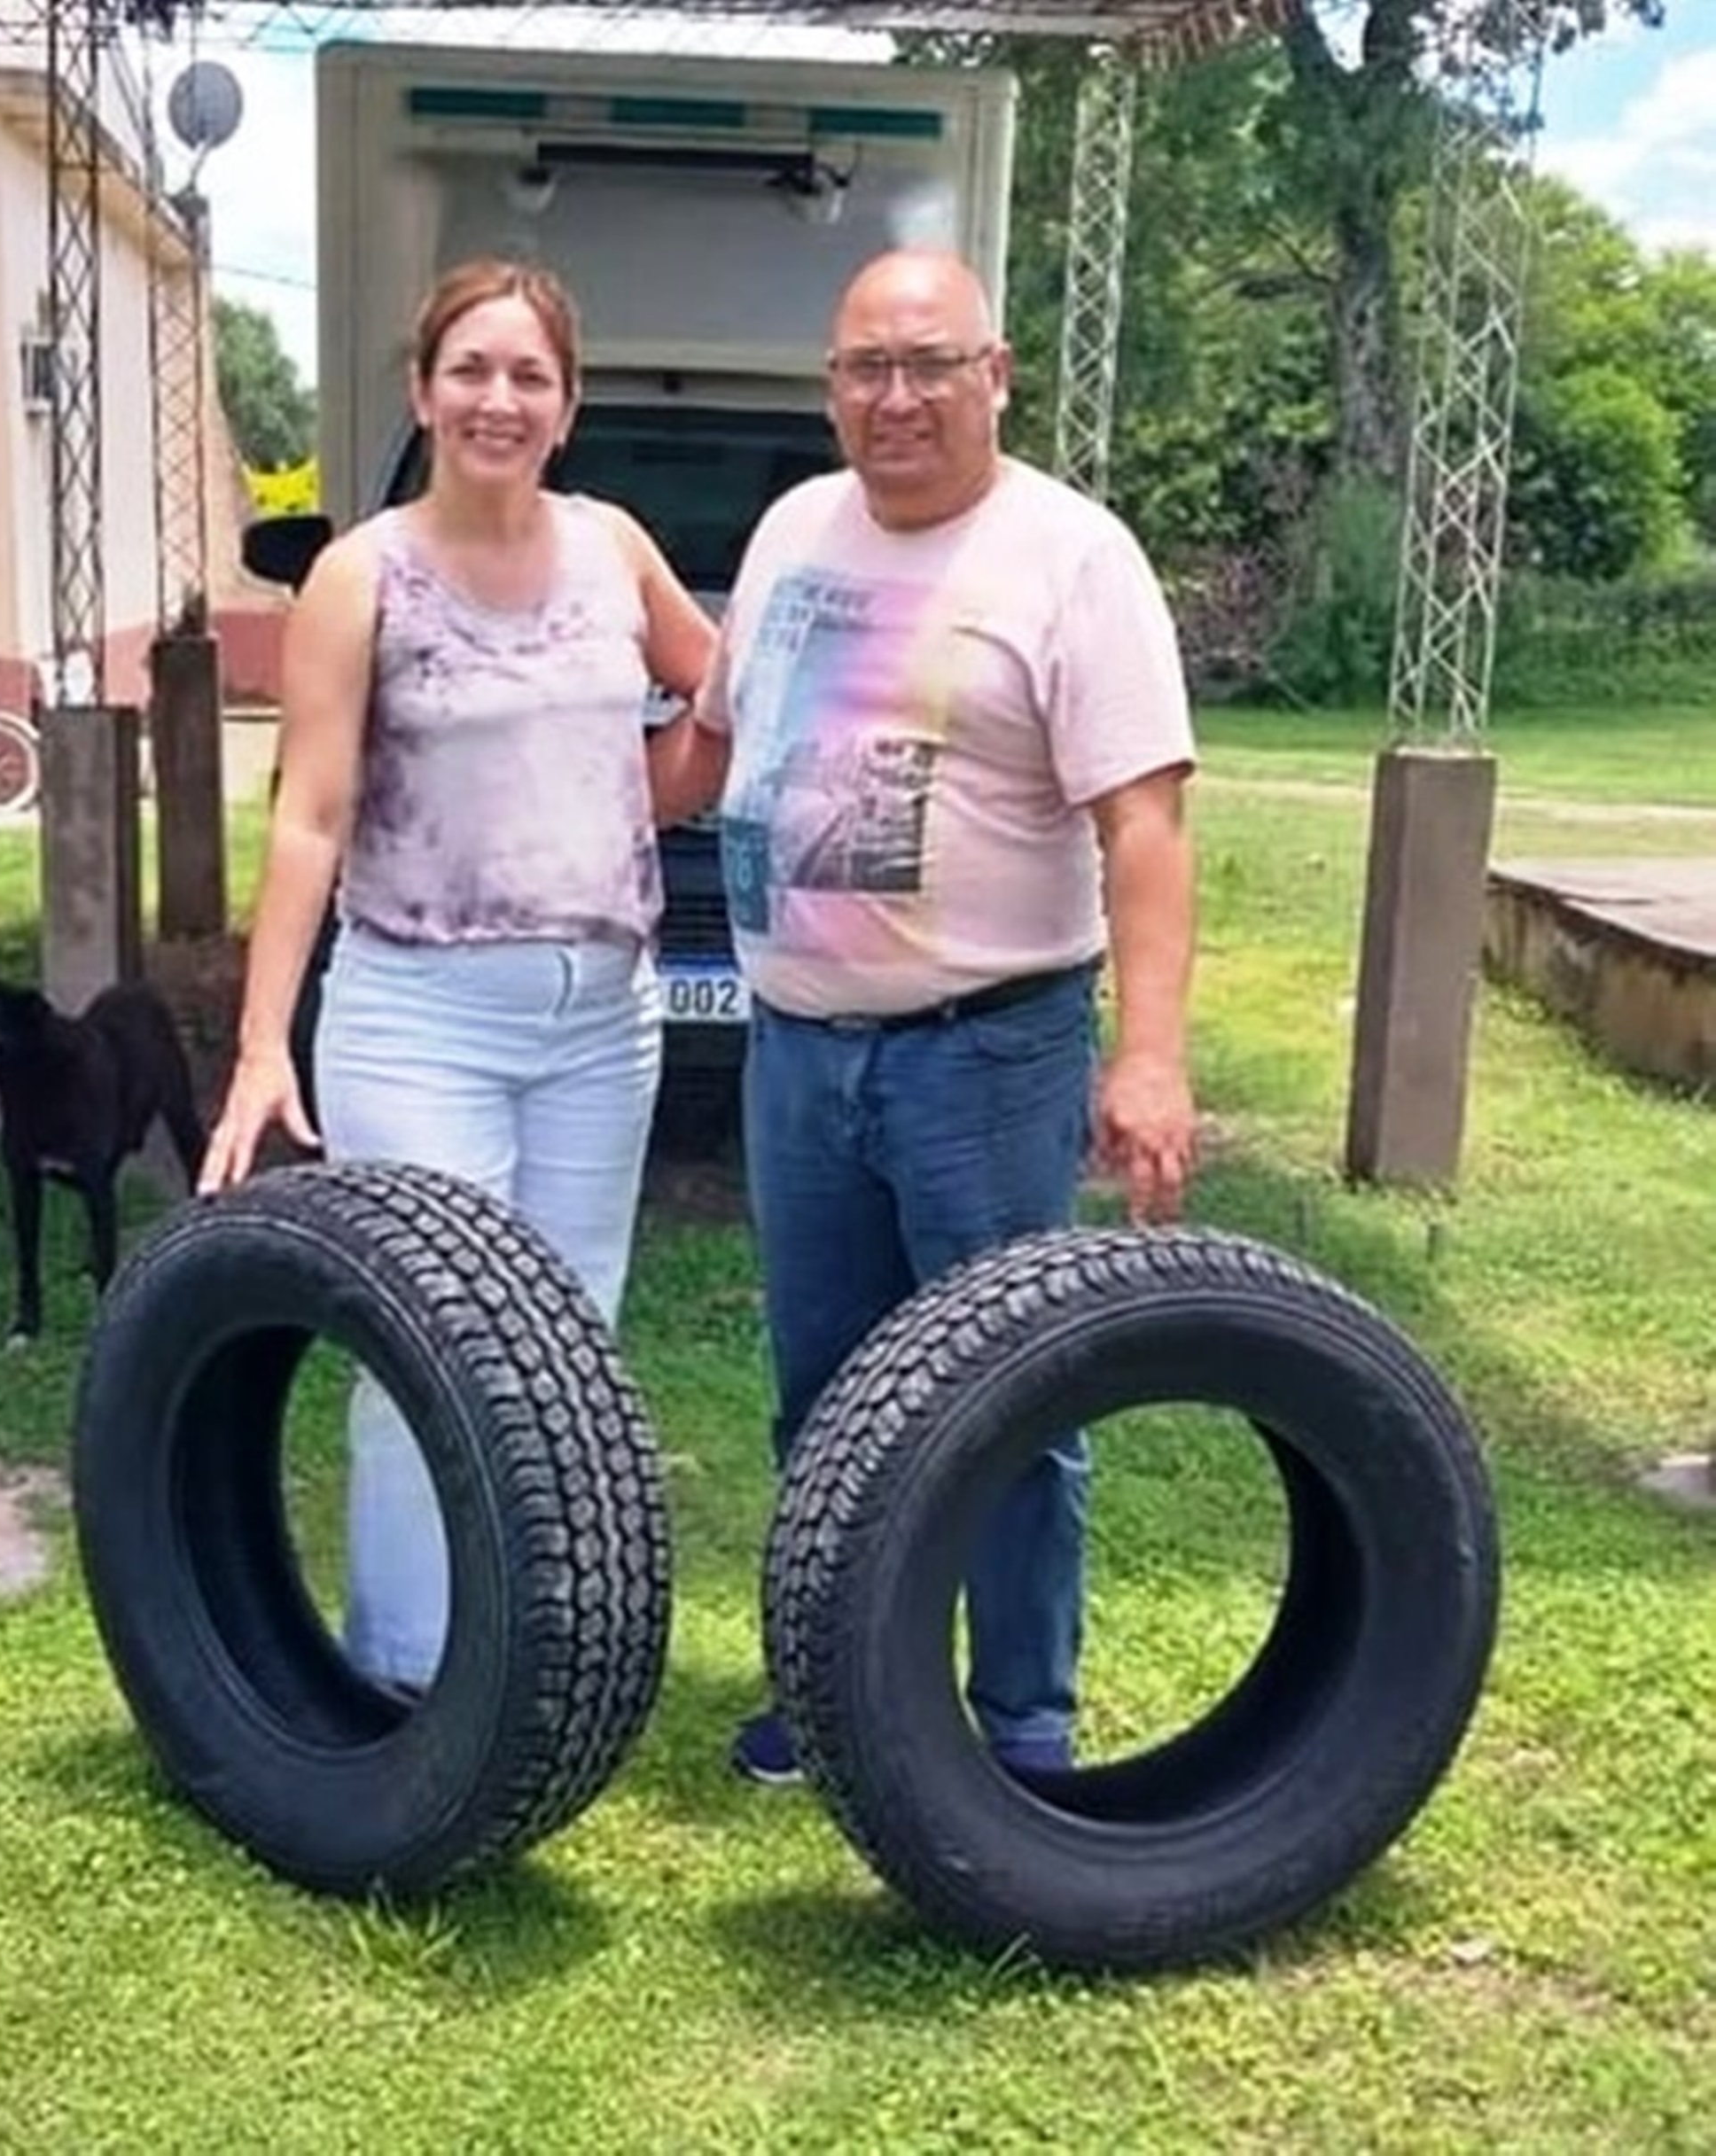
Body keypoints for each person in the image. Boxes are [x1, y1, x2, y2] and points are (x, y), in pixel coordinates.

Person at [653, 247, 1198, 1791]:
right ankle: (836, 1697)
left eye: (927, 366)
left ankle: (1020, 1724)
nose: (893, 399)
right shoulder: (785, 533)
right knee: (821, 1391)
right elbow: (706, 749)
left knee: (1008, 1395)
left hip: (987, 1049)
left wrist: (1147, 1053)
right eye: (864, 370)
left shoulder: (1070, 557)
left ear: (994, 375)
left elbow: (1144, 825)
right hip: (799, 1048)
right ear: (830, 385)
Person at [201, 257, 716, 1693]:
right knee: (425, 1350)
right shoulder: (362, 575)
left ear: (567, 405)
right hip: (419, 1013)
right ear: (424, 390)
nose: (499, 399)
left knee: (565, 1345)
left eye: (529, 376)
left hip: (603, 1019)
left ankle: (533, 1667)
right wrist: (262, 1043)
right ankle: (414, 1686)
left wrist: (687, 768)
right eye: (471, 370)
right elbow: (308, 815)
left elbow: (716, 699)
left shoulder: (613, 546)